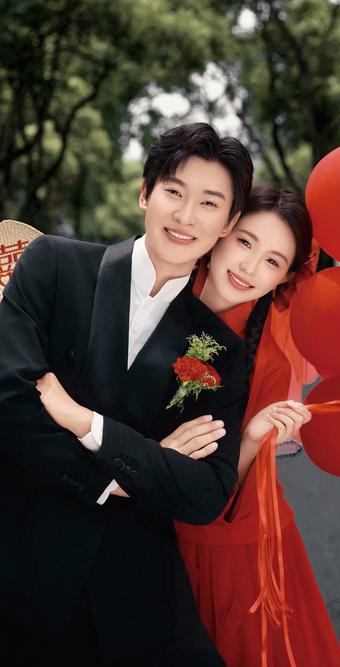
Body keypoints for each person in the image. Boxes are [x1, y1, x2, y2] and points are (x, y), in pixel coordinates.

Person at [0, 123, 254, 666]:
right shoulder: (53, 264)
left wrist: (87, 424)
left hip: (140, 595)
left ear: (229, 222)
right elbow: (9, 406)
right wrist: (132, 473)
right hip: (24, 562)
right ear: (145, 192)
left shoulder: (220, 352)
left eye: (209, 203)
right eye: (174, 192)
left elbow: (205, 493)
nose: (186, 216)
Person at [173, 186, 340, 666]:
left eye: (272, 261)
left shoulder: (268, 361)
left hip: (230, 544)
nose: (249, 268)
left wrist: (251, 439)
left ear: (285, 278)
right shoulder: (156, 295)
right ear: (223, 230)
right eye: (245, 242)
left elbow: (232, 489)